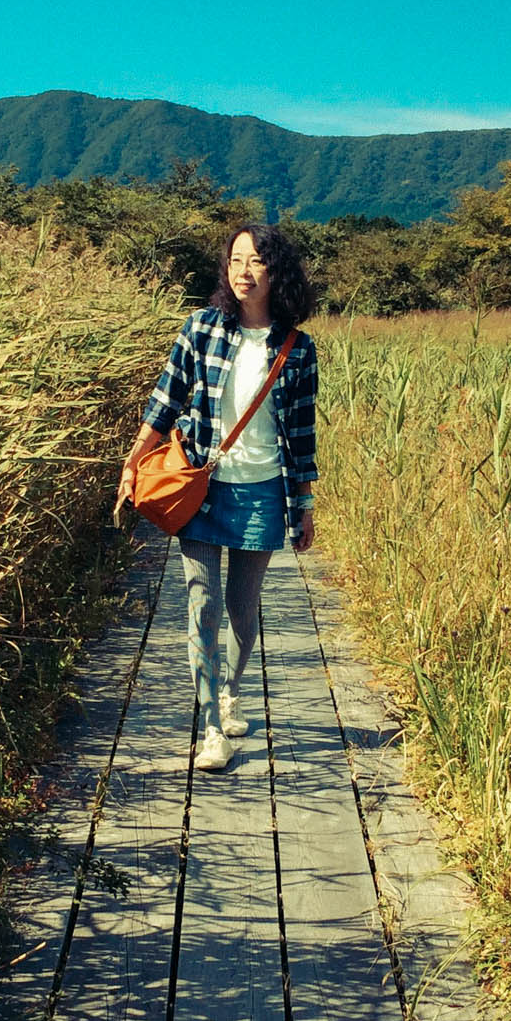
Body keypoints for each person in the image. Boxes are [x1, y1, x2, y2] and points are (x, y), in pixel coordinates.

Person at [116, 223, 319, 771]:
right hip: (200, 485)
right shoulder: (202, 328)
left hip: (262, 491)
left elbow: (301, 434)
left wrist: (304, 507)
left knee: (241, 606)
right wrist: (133, 464)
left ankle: (230, 691)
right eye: (235, 261)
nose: (244, 271)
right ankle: (210, 726)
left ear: (276, 272)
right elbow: (164, 402)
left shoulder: (297, 349)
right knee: (201, 601)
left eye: (256, 262)